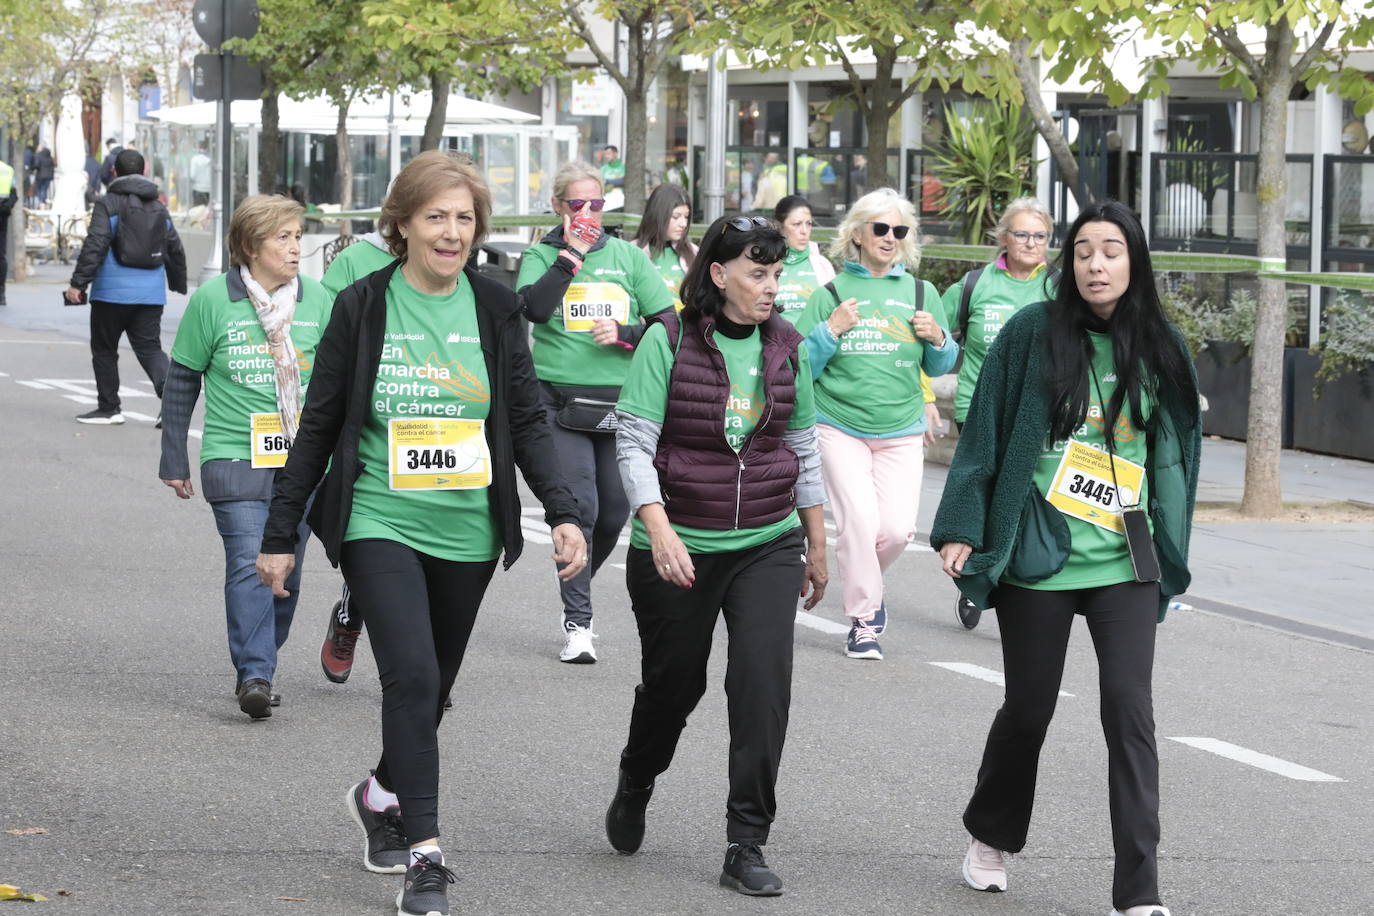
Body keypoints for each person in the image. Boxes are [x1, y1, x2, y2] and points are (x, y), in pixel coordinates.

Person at [255, 151, 586, 916]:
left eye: (465, 218)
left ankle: (380, 793)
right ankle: (426, 860)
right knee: (409, 676)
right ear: (401, 224)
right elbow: (321, 424)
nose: (452, 231)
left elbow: (528, 419)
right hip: (381, 517)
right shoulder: (364, 305)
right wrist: (281, 535)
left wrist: (563, 512)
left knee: (432, 689)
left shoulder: (497, 307)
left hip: (468, 528)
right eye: (435, 216)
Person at [931, 200, 1200, 916]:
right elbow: (984, 430)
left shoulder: (1161, 344)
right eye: (1083, 251)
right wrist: (962, 524)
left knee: (1128, 710)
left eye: (1111, 251)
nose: (1096, 264)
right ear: (1068, 261)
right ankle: (990, 836)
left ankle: (1139, 889)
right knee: (1029, 708)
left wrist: (1172, 544)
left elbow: (1178, 452)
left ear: (1134, 261)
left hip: (1123, 560)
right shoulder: (1030, 333)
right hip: (1038, 554)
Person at [604, 214, 827, 897]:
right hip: (678, 545)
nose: (770, 287)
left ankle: (746, 842)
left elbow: (804, 446)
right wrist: (659, 526)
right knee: (677, 687)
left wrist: (816, 542)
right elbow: (634, 443)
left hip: (766, 540)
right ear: (720, 273)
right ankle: (638, 777)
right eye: (757, 274)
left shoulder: (786, 346)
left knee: (762, 686)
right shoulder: (666, 340)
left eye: (777, 274)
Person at [158, 193, 331, 718]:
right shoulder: (213, 300)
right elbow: (182, 379)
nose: (296, 247)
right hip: (235, 456)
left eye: (299, 236)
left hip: (302, 462)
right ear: (251, 246)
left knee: (288, 571)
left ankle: (262, 662)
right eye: (283, 237)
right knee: (249, 561)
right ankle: (254, 673)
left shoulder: (320, 301)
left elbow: (338, 386)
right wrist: (174, 459)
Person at [516, 160, 676, 664]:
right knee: (579, 507)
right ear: (558, 207)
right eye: (576, 204)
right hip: (559, 403)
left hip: (621, 405)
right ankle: (578, 623)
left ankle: (577, 569)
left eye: (596, 204)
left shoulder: (629, 257)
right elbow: (535, 310)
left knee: (612, 514)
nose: (587, 213)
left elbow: (669, 323)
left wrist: (626, 334)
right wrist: (573, 255)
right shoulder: (540, 255)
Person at [792, 188, 958, 660]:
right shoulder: (830, 294)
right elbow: (799, 364)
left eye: (899, 230)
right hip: (838, 424)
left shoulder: (921, 292)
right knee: (860, 522)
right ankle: (863, 620)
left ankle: (864, 578)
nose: (890, 238)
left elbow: (943, 362)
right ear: (858, 234)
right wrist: (831, 330)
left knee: (898, 530)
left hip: (901, 429)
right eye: (881, 228)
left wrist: (938, 337)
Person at [942, 196, 1059, 629]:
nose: (1031, 242)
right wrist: (923, 396)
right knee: (983, 496)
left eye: (1039, 235)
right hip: (978, 407)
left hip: (1035, 413)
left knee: (1023, 499)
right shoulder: (974, 285)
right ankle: (975, 575)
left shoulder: (1058, 288)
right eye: (1022, 233)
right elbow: (937, 339)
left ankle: (1011, 578)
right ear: (1003, 237)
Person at [314, 227, 398, 683]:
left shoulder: (456, 262)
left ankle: (429, 667)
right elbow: (327, 330)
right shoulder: (356, 261)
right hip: (374, 431)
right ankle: (351, 619)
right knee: (382, 548)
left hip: (440, 435)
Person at [66, 148, 188, 425]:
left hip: (111, 293)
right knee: (150, 349)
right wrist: (177, 283)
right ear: (144, 171)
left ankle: (109, 408)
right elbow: (175, 247)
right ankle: (172, 406)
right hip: (150, 294)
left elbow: (95, 244)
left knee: (105, 349)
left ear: (114, 172)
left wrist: (78, 283)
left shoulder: (107, 203)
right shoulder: (158, 206)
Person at [631, 183, 696, 309]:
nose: (683, 224)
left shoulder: (694, 252)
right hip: (648, 327)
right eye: (676, 217)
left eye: (686, 217)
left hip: (685, 327)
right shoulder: (632, 252)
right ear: (657, 215)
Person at [771, 194, 834, 319]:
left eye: (809, 223)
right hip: (773, 337)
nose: (804, 231)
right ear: (779, 226)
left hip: (814, 337)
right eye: (796, 224)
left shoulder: (822, 265)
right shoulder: (766, 263)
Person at [0, 154, 16, 306]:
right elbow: (14, 194)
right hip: (2, 214)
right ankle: (1, 293)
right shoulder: (7, 169)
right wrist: (6, 207)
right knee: (1, 255)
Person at [190, 143, 212, 208]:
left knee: (198, 211)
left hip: (197, 189)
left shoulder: (194, 159)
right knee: (205, 210)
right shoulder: (210, 159)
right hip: (208, 189)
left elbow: (192, 175)